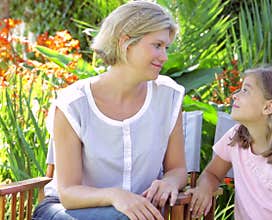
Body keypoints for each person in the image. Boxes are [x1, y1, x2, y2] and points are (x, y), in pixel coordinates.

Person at [32, 1, 187, 220]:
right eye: (157, 45)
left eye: (166, 48)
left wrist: (169, 182)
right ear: (126, 42)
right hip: (65, 211)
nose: (164, 57)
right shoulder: (74, 103)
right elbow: (68, 193)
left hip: (133, 214)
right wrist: (116, 196)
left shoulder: (169, 97)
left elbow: (177, 169)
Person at [185, 66, 272, 220]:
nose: (235, 95)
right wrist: (205, 188)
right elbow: (212, 174)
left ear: (268, 107)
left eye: (245, 91)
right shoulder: (236, 138)